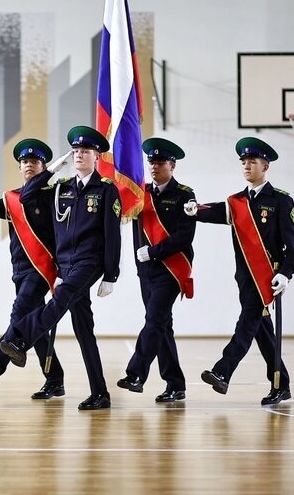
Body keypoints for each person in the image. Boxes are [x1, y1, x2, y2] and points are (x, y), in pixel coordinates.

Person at [0, 125, 122, 410]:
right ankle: (100, 393)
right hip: (65, 264)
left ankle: (19, 338)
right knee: (83, 330)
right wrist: (52, 169)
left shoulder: (106, 190)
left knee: (60, 299)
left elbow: (112, 234)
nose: (79, 155)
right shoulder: (61, 187)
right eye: (76, 151)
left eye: (85, 152)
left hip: (89, 263)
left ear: (97, 157)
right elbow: (28, 196)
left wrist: (111, 274)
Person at [185, 136, 294, 406]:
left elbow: (292, 247)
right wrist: (195, 210)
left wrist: (285, 273)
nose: (247, 166)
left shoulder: (281, 201)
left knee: (247, 324)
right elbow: (214, 211)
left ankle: (222, 372)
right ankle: (281, 384)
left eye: (252, 162)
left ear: (266, 167)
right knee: (262, 333)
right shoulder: (237, 202)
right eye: (244, 162)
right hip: (245, 278)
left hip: (266, 279)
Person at [0, 138, 66, 399]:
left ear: (44, 167)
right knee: (35, 328)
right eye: (24, 162)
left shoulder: (53, 196)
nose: (29, 165)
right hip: (19, 270)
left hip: (40, 269)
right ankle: (55, 379)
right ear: (20, 168)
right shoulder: (13, 199)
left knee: (19, 315)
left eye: (34, 161)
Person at [115, 138, 195, 403]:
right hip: (145, 272)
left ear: (172, 166)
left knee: (154, 321)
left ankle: (136, 373)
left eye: (160, 162)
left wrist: (154, 251)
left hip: (170, 270)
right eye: (151, 161)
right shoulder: (140, 193)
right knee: (162, 325)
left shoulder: (184, 194)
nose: (154, 166)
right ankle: (175, 384)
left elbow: (185, 236)